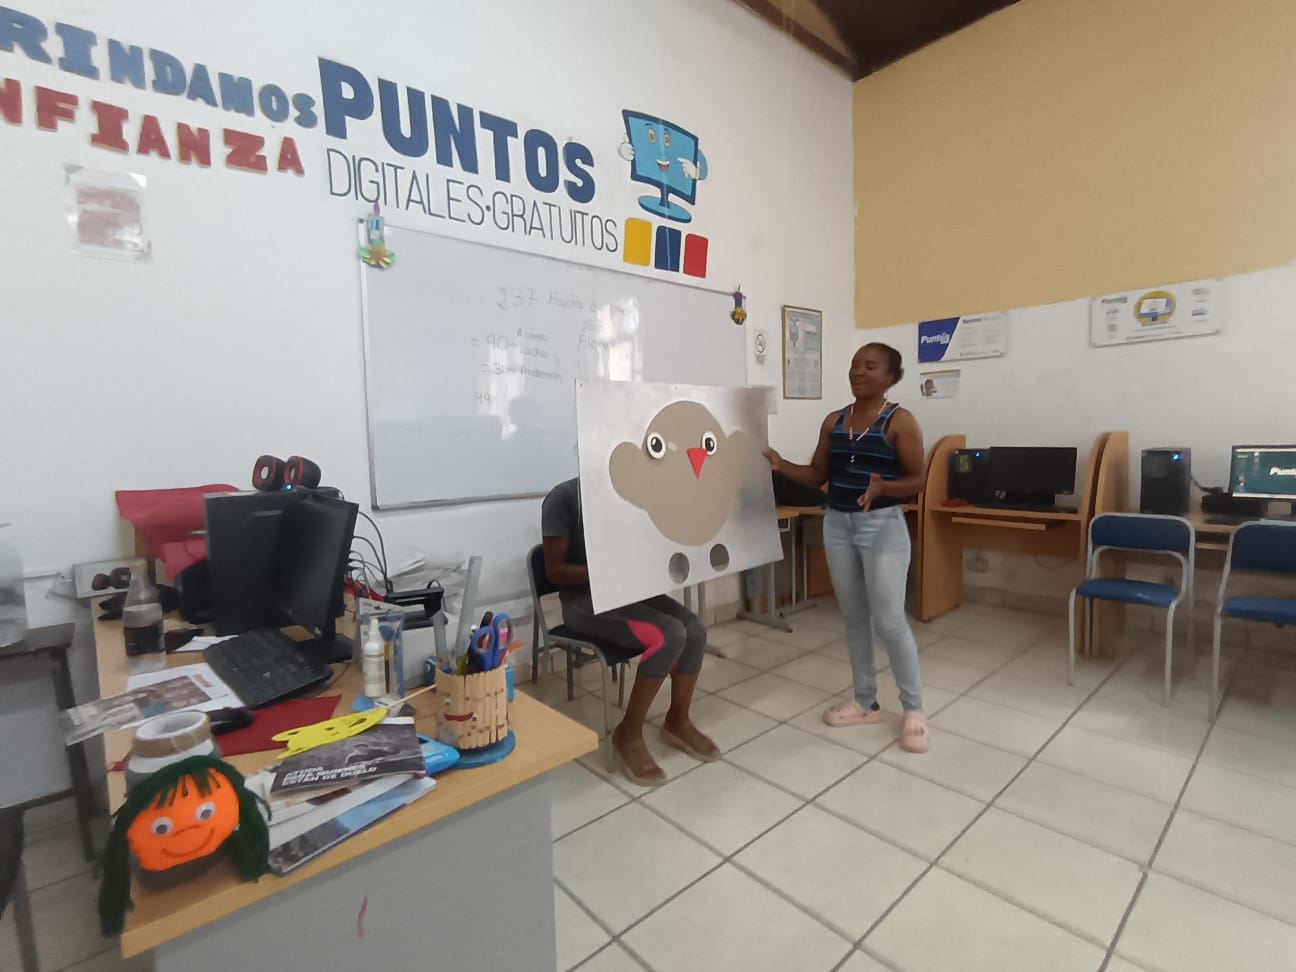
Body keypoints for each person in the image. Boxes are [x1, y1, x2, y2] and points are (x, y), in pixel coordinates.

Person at [763, 342, 930, 754]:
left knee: (890, 620)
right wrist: (782, 466)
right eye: (855, 364)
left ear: (890, 376)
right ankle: (865, 702)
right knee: (855, 619)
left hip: (882, 527)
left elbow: (918, 479)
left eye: (870, 366)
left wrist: (884, 487)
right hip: (837, 523)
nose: (858, 371)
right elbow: (817, 472)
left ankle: (913, 710)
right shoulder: (834, 421)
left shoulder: (900, 421)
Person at [541, 477, 719, 785]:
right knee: (669, 635)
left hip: (624, 591)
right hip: (582, 601)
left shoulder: (626, 493)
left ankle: (677, 720)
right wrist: (610, 573)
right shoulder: (564, 498)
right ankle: (629, 733)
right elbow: (554, 571)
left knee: (695, 630)